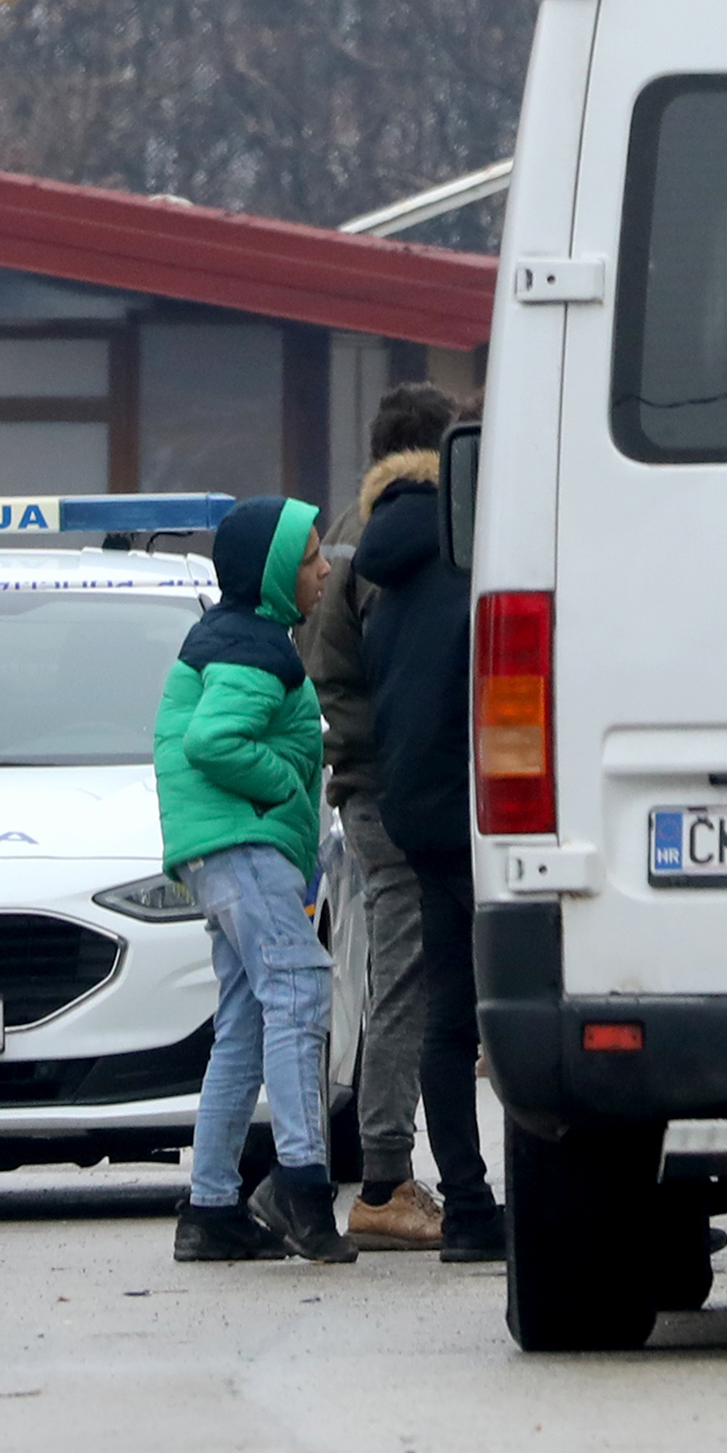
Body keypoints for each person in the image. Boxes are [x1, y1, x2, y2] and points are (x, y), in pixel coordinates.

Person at [159, 493, 350, 1265]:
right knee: (300, 990)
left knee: (244, 1018)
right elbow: (213, 740)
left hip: (222, 847)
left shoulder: (234, 635)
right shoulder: (253, 647)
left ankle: (211, 1206)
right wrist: (281, 788)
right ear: (273, 572)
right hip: (244, 841)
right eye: (309, 560)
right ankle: (299, 1186)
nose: (325, 568)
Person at [344, 389, 511, 1265]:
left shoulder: (391, 563)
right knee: (522, 1011)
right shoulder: (478, 556)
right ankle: (561, 1200)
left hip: (416, 809)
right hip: (483, 813)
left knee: (448, 1018)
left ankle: (473, 1209)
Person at [300, 382, 462, 1251]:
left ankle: (397, 1169)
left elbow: (331, 680)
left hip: (366, 793)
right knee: (413, 984)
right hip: (418, 796)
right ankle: (386, 1177)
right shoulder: (451, 548)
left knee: (396, 978)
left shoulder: (351, 564)